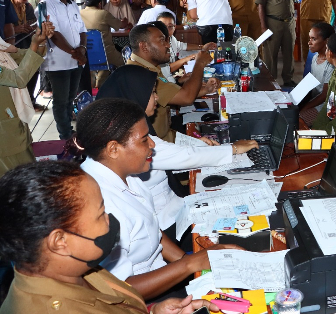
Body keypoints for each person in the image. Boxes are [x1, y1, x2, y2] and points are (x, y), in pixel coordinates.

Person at [71, 98, 240, 301]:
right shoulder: (100, 205)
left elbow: (151, 230)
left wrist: (190, 263)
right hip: (139, 299)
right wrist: (190, 265)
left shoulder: (126, 174)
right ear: (113, 149)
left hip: (160, 276)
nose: (152, 144)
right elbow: (119, 289)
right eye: (144, 140)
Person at [0, 160, 222, 313]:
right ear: (60, 242)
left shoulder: (72, 268)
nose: (109, 219)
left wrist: (153, 311)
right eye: (100, 215)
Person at [95, 65, 257, 247]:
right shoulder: (128, 141)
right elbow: (180, 156)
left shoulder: (127, 126)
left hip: (176, 209)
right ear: (136, 94)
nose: (157, 97)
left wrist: (197, 143)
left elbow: (166, 149)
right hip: (168, 223)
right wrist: (232, 149)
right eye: (152, 93)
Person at [127, 23, 217, 142]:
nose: (168, 45)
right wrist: (199, 63)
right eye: (161, 41)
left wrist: (193, 141)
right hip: (157, 145)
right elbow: (186, 98)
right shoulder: (141, 74)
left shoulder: (149, 67)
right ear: (144, 47)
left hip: (167, 135)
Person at [0, 21, 52, 176]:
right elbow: (18, 79)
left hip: (13, 127)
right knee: (22, 181)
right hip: (5, 136)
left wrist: (40, 42)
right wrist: (35, 44)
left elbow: (23, 56)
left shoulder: (2, 49)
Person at [42, 0, 88, 140]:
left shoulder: (72, 4)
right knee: (61, 101)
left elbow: (82, 29)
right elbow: (54, 34)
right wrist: (74, 53)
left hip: (76, 60)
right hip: (57, 62)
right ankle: (65, 136)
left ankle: (68, 129)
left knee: (70, 98)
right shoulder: (46, 4)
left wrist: (82, 48)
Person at [256, 0, 297, 87]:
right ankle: (271, 81)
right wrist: (263, 27)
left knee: (288, 53)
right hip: (273, 23)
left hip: (289, 23)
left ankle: (288, 79)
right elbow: (260, 5)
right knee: (270, 55)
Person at [7, 0, 43, 110]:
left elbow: (33, 23)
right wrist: (15, 29)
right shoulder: (5, 7)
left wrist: (31, 28)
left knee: (34, 67)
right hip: (10, 46)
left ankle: (29, 101)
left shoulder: (27, 7)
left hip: (25, 42)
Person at [80, 0, 127, 88]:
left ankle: (98, 85)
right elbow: (121, 25)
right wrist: (125, 21)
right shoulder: (103, 14)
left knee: (102, 66)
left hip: (86, 55)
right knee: (125, 63)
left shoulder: (79, 13)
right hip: (106, 54)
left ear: (85, 3)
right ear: (99, 3)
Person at [157, 11, 213, 75]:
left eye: (170, 26)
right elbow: (165, 70)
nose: (166, 30)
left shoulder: (172, 38)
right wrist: (186, 59)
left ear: (174, 27)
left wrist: (202, 47)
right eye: (163, 27)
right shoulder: (155, 44)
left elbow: (182, 45)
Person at [301, 22, 335, 117]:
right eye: (309, 38)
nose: (309, 42)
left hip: (326, 105)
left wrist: (305, 108)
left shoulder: (331, 65)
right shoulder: (315, 57)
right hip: (314, 100)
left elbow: (325, 95)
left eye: (314, 39)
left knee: (299, 119)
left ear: (326, 41)